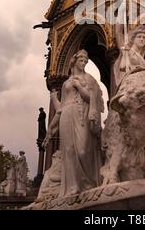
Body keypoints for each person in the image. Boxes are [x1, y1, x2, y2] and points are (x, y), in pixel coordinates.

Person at [43, 50, 104, 197]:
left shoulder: (89, 79)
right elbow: (60, 108)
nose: (84, 62)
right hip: (67, 116)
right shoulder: (65, 84)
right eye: (81, 60)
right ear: (74, 61)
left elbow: (92, 98)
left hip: (81, 114)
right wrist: (50, 129)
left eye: (86, 60)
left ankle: (88, 184)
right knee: (69, 151)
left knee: (83, 150)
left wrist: (80, 86)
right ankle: (73, 187)